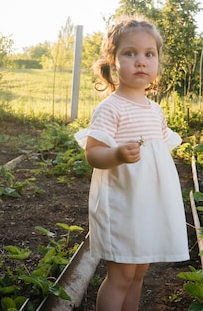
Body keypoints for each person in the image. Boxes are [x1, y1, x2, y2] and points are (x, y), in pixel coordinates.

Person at [74, 17, 189, 311]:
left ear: (157, 63)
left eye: (149, 54)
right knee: (121, 275)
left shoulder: (155, 110)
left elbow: (159, 153)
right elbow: (93, 153)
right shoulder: (111, 108)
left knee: (139, 273)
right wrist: (117, 156)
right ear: (113, 62)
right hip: (123, 205)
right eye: (130, 53)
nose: (141, 61)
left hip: (147, 204)